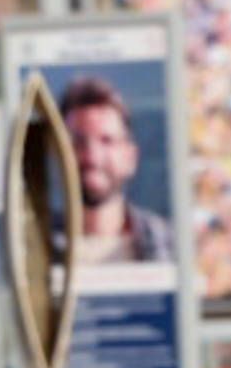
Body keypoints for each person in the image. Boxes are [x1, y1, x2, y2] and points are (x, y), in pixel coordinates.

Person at [57, 77, 172, 268]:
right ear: (58, 155)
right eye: (78, 142)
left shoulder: (170, 246)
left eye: (107, 140)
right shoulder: (31, 250)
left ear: (131, 157)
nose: (92, 156)